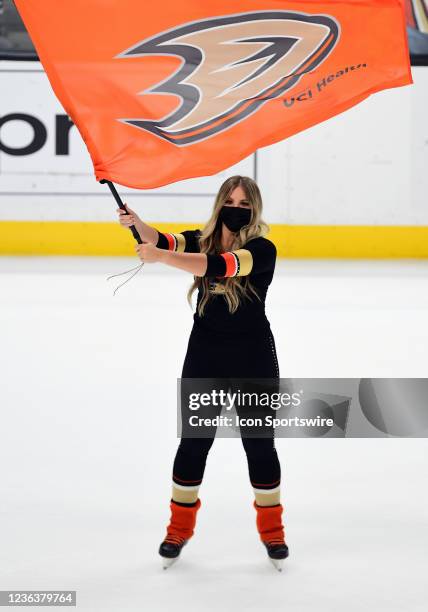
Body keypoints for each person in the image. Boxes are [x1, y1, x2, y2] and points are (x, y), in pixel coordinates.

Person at [116, 175, 289, 571]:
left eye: (245, 203)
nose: (237, 208)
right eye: (231, 200)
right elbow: (162, 239)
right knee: (194, 444)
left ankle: (272, 530)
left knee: (260, 446)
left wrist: (163, 258)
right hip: (205, 357)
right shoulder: (201, 238)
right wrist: (137, 223)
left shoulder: (262, 249)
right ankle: (178, 528)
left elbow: (222, 267)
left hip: (253, 360)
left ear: (255, 208)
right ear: (220, 203)